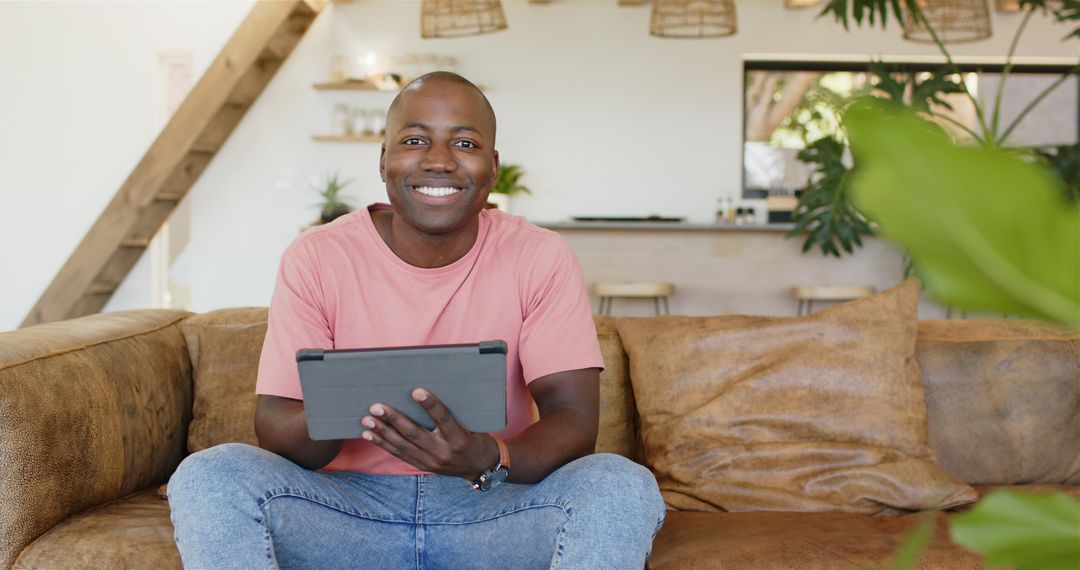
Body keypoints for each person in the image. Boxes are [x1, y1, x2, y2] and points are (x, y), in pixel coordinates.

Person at [167, 72, 665, 569]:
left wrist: (487, 457)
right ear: (383, 160)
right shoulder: (317, 256)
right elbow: (274, 423)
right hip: (344, 511)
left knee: (621, 483)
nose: (439, 160)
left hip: (489, 507)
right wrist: (348, 406)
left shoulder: (539, 256)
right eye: (414, 140)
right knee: (210, 474)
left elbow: (574, 420)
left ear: (492, 167)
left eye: (464, 143)